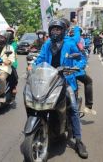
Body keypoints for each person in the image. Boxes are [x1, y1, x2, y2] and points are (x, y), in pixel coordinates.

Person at [32, 19, 88, 159]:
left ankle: (79, 141)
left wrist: (75, 68)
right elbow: (40, 59)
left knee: (73, 108)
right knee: (36, 98)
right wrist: (32, 67)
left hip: (66, 81)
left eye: (58, 29)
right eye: (53, 29)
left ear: (63, 31)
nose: (55, 32)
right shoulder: (47, 44)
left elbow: (81, 58)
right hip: (49, 79)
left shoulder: (70, 43)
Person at [6, 28, 18, 98]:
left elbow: (12, 49)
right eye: (7, 33)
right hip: (1, 61)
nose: (9, 34)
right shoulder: (2, 41)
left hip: (11, 62)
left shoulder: (14, 43)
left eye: (10, 33)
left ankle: (13, 87)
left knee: (13, 75)